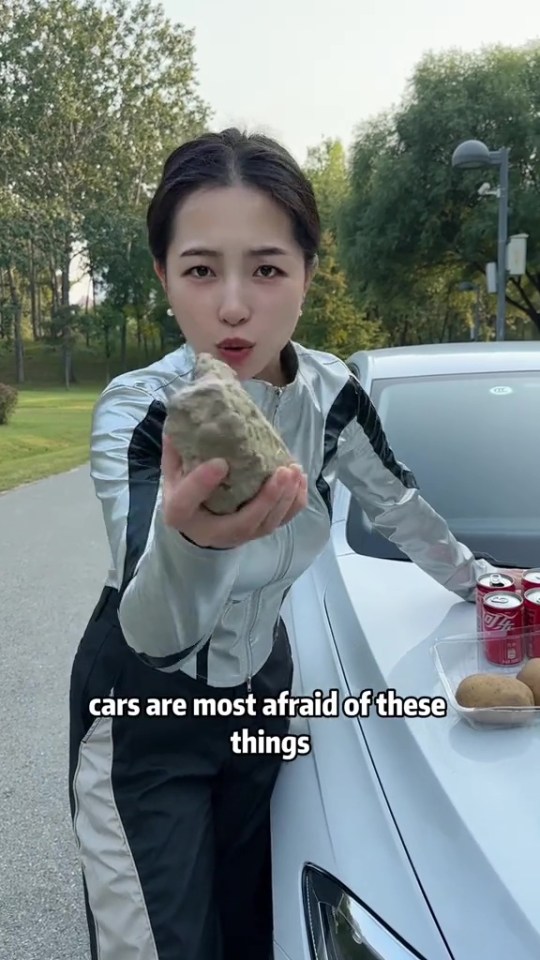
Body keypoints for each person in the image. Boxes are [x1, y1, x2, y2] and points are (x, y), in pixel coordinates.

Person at [68, 127, 516, 960]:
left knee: (255, 931)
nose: (234, 305)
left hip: (264, 697)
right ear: (165, 277)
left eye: (268, 268)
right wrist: (196, 546)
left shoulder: (332, 394)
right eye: (201, 269)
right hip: (142, 715)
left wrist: (488, 583)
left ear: (308, 276)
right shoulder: (141, 411)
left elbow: (403, 508)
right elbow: (154, 634)